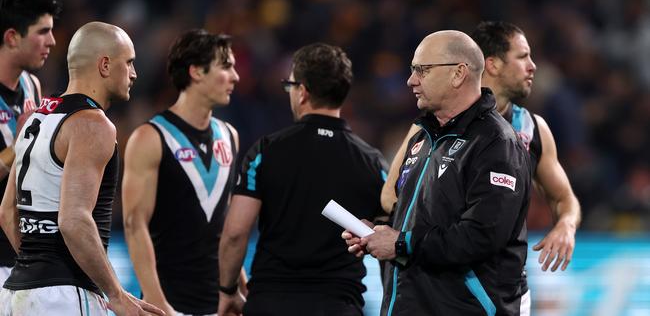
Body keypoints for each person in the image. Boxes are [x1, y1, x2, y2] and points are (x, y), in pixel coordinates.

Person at [345, 30, 532, 315]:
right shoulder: (422, 139)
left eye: (422, 70)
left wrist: (399, 242)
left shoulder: (496, 143)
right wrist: (377, 232)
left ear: (458, 73)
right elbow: (414, 218)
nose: (411, 80)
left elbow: (481, 235)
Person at [381, 21, 581, 272]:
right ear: (493, 64)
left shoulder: (532, 128)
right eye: (522, 57)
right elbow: (391, 196)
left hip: (500, 280)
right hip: (443, 273)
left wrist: (566, 227)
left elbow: (564, 198)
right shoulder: (434, 125)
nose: (533, 66)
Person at [0, 22, 162, 316]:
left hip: (16, 293)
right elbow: (74, 219)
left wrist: (37, 268)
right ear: (104, 65)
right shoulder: (93, 124)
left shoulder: (36, 120)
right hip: (64, 297)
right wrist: (116, 295)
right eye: (129, 63)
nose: (134, 73)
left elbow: (6, 212)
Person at [218, 43, 388, 316]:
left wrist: (227, 290)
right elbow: (389, 239)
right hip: (338, 305)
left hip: (271, 303)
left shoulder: (265, 152)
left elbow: (236, 233)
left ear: (303, 92)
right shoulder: (374, 163)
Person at [122, 29, 244, 316]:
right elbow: (134, 224)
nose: (236, 76)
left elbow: (224, 225)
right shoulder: (150, 138)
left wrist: (237, 287)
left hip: (218, 303)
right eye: (226, 66)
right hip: (170, 303)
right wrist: (157, 303)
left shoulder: (230, 136)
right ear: (196, 72)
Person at [0, 0, 59, 285]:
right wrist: (21, 143)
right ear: (12, 37)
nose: (51, 41)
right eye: (43, 32)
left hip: (22, 251)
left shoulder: (31, 85)